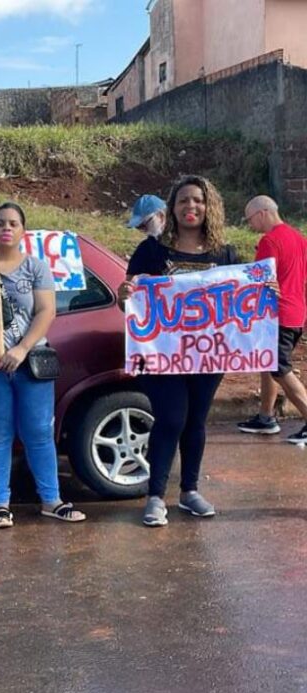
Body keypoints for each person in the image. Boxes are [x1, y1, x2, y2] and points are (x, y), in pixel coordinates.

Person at [118, 175, 238, 527]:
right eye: (183, 200)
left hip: (207, 355)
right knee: (171, 418)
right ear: (172, 208)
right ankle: (155, 496)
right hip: (161, 355)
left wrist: (265, 291)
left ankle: (189, 492)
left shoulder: (225, 253)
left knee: (196, 422)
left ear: (209, 205)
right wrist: (127, 298)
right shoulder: (152, 251)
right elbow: (131, 306)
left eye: (198, 200)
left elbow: (241, 301)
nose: (191, 207)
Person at [0, 202, 86, 529]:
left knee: (39, 434)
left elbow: (46, 312)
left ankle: (51, 500)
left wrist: (20, 348)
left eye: (13, 223)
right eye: (0, 222)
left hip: (30, 362)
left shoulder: (36, 267)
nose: (6, 228)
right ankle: (0, 505)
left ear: (22, 231)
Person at [237, 195, 307, 443]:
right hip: (297, 312)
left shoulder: (270, 241)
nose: (250, 225)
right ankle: (266, 417)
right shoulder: (299, 238)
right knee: (269, 364)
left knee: (280, 369)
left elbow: (256, 279)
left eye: (250, 220)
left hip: (278, 314)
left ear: (262, 213)